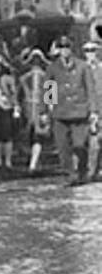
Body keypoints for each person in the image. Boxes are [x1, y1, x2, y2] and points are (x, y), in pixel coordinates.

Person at [44, 35, 97, 186]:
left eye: (67, 47)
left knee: (80, 145)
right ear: (58, 50)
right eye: (62, 48)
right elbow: (48, 91)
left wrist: (93, 111)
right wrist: (45, 111)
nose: (65, 51)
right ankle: (70, 174)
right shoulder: (53, 67)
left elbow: (90, 89)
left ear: (71, 49)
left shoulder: (82, 66)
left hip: (80, 111)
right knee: (62, 147)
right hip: (60, 112)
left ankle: (82, 170)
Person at [18, 48, 51, 174]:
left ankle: (33, 163)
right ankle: (33, 163)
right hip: (33, 109)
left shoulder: (24, 78)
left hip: (32, 108)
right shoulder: (47, 77)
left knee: (35, 136)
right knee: (35, 137)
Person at [83, 41, 102, 179]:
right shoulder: (80, 68)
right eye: (88, 50)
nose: (90, 53)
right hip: (86, 109)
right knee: (90, 141)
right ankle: (90, 170)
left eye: (93, 50)